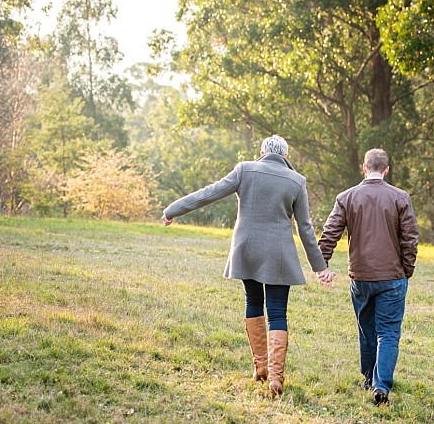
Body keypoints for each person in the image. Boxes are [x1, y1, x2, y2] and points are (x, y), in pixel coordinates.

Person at [161, 134, 333, 398]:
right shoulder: (297, 181)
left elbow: (208, 194)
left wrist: (173, 209)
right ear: (286, 156)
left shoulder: (245, 169)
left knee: (253, 302)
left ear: (262, 152)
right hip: (279, 255)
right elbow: (305, 228)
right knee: (277, 312)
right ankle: (275, 378)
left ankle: (260, 368)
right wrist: (319, 266)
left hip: (247, 250)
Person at [317, 148, 419, 406]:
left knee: (367, 329)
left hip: (360, 276)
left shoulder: (346, 197)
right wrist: (406, 269)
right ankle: (381, 384)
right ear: (386, 170)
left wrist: (322, 264)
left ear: (364, 168)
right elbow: (410, 239)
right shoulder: (400, 197)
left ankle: (367, 378)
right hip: (392, 277)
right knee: (388, 332)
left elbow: (330, 233)